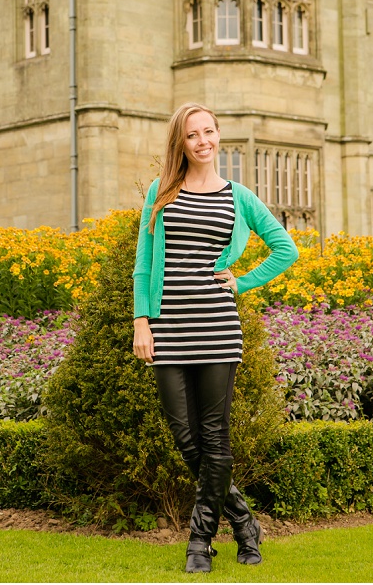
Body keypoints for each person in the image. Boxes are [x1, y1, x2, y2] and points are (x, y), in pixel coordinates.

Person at [132, 103, 297, 573]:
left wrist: (241, 282)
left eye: (209, 132)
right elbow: (144, 263)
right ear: (180, 142)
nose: (202, 141)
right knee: (186, 437)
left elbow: (286, 248)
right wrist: (142, 321)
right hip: (167, 328)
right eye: (192, 135)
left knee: (214, 437)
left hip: (217, 328)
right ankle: (244, 523)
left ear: (218, 136)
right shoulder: (160, 193)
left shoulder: (238, 197)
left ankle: (199, 542)